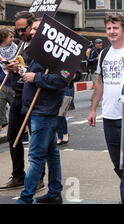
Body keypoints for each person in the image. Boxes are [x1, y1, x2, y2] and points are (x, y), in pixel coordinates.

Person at [88, 13, 124, 204]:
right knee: (117, 162)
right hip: (109, 116)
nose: (111, 32)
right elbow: (100, 84)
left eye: (115, 28)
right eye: (109, 28)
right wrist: (93, 109)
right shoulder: (103, 54)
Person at [16, 17, 67, 204]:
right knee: (51, 154)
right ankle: (54, 193)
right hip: (35, 110)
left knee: (36, 157)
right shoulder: (37, 52)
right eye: (32, 29)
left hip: (43, 112)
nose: (31, 32)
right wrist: (23, 71)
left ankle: (25, 198)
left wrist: (35, 77)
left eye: (36, 29)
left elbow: (63, 80)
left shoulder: (57, 54)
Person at [0, 12, 45, 191]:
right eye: (16, 30)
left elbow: (34, 69)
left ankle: (39, 178)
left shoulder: (39, 46)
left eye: (22, 29)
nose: (19, 33)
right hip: (19, 94)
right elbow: (20, 66)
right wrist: (11, 66)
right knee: (13, 137)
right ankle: (18, 175)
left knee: (36, 139)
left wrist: (18, 66)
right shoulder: (21, 45)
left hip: (33, 96)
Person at [0, 28, 17, 130]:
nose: (13, 39)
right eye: (10, 37)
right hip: (1, 84)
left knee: (16, 110)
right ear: (3, 38)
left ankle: (22, 133)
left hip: (14, 84)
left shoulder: (17, 48)